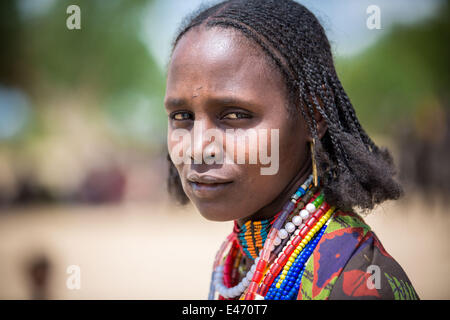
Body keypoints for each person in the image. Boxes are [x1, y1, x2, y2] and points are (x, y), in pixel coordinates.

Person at [163, 0, 418, 300]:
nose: (197, 148)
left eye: (234, 115)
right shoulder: (234, 262)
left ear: (315, 113)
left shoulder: (358, 281)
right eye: (182, 117)